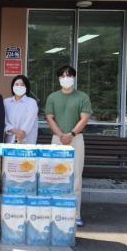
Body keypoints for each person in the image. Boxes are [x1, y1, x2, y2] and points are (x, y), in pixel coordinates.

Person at [45, 64, 92, 228]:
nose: (66, 78)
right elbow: (49, 118)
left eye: (69, 75)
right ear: (59, 78)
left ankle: (75, 214)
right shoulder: (52, 97)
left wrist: (71, 134)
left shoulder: (82, 97)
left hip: (76, 139)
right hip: (57, 138)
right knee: (55, 175)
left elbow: (84, 118)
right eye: (63, 76)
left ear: (74, 77)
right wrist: (61, 135)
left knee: (76, 176)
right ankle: (55, 212)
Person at [4, 74, 39, 144]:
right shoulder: (6, 102)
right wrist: (13, 130)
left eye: (22, 85)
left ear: (26, 87)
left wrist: (22, 132)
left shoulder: (32, 102)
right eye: (16, 84)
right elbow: (4, 120)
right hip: (10, 140)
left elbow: (29, 120)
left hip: (27, 141)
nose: (19, 86)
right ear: (12, 86)